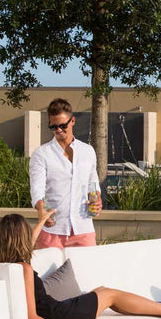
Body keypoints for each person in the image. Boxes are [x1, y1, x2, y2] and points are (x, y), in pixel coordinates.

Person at [0, 212, 161, 319]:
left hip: (55, 311)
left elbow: (27, 244)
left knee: (100, 291)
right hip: (59, 317)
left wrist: (42, 221)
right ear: (21, 236)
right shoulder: (24, 269)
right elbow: (32, 317)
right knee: (110, 294)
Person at [29, 98, 102, 250]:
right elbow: (37, 189)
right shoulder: (41, 154)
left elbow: (92, 183)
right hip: (53, 231)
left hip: (84, 229)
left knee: (87, 273)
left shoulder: (87, 151)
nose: (59, 130)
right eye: (53, 126)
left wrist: (97, 199)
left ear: (73, 121)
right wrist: (41, 208)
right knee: (47, 274)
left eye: (63, 125)